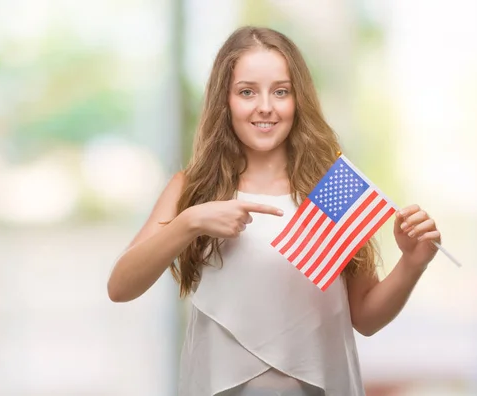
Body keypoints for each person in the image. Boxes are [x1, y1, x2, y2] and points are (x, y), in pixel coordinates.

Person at [107, 26, 441, 396]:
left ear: (298, 100)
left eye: (280, 92)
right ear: (225, 100)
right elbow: (120, 286)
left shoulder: (331, 191)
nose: (265, 106)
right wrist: (191, 221)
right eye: (247, 91)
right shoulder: (194, 189)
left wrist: (412, 264)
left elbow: (364, 316)